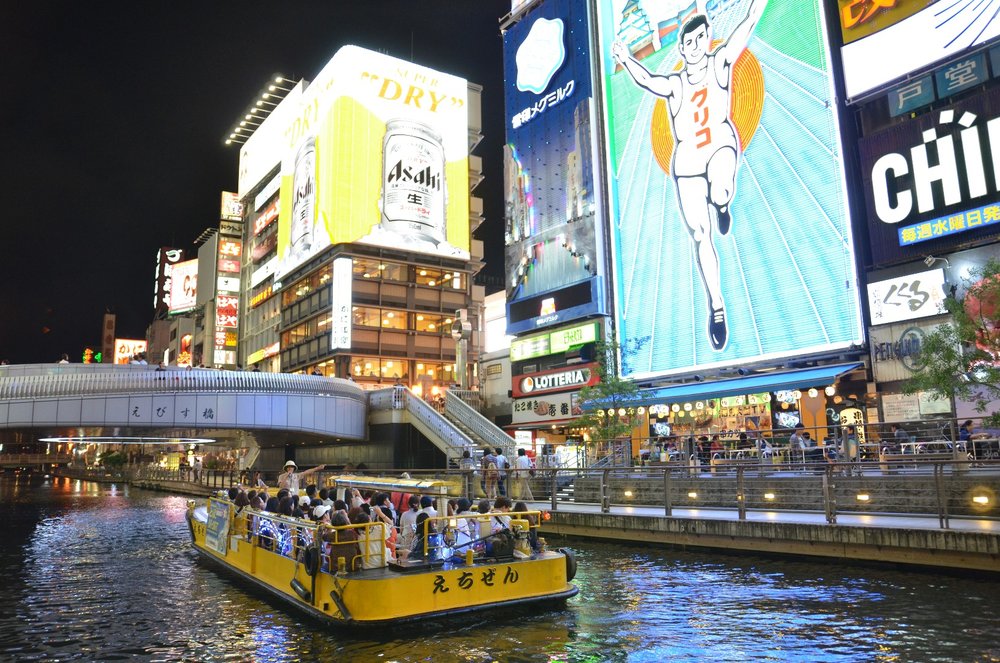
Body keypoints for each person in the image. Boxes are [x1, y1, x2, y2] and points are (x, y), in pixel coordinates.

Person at [612, 0, 767, 351]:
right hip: (687, 163)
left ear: (709, 38)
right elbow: (648, 79)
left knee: (723, 184)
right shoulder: (676, 84)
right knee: (700, 234)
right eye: (690, 42)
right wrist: (625, 58)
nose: (696, 46)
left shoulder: (721, 62)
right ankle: (717, 306)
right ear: (682, 48)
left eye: (701, 39)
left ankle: (723, 202)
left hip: (720, 146)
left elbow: (750, 20)